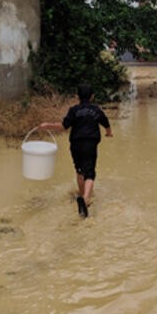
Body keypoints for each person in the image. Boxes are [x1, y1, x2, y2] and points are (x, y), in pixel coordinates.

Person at [39, 84, 113, 218]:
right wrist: (109, 133)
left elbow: (63, 126)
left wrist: (47, 125)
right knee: (90, 173)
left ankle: (81, 194)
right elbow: (106, 123)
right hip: (90, 144)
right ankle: (85, 200)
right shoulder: (96, 110)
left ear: (77, 97)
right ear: (92, 96)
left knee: (79, 170)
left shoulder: (73, 110)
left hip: (76, 144)